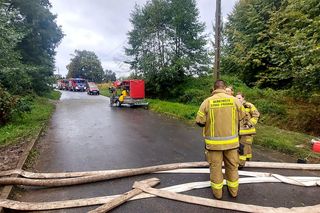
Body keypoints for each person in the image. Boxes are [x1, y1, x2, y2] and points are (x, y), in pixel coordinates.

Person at [196, 80, 245, 199]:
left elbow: (199, 121)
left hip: (214, 146)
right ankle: (233, 192)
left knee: (216, 169)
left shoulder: (207, 102)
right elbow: (242, 116)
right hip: (232, 144)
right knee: (232, 167)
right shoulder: (234, 101)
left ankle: (218, 194)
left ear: (214, 88)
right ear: (224, 88)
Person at [236, 92, 260, 167]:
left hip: (247, 131)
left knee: (243, 147)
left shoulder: (249, 106)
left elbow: (256, 115)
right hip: (239, 131)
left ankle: (241, 164)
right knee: (244, 146)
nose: (237, 99)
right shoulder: (235, 106)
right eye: (236, 98)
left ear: (243, 98)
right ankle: (247, 158)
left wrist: (249, 124)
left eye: (239, 98)